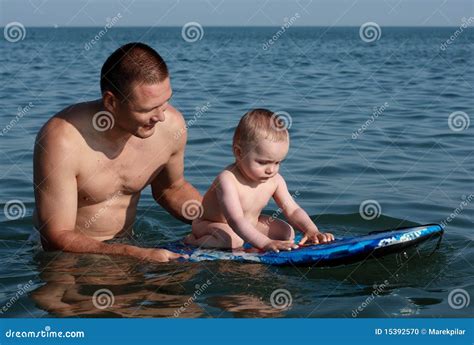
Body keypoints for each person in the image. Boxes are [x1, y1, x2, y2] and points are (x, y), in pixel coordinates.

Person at [33, 42, 201, 262]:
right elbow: (55, 236)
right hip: (68, 262)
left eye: (165, 102)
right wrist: (133, 254)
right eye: (148, 109)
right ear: (111, 102)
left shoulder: (171, 126)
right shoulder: (62, 140)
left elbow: (172, 189)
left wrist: (222, 220)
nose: (160, 116)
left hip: (131, 248)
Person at [185, 109, 334, 252]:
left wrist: (311, 230)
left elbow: (293, 209)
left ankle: (253, 240)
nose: (271, 170)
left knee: (286, 232)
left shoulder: (275, 180)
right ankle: (193, 241)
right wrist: (266, 243)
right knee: (233, 240)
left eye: (277, 163)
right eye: (263, 162)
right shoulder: (227, 180)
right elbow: (235, 220)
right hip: (212, 225)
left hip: (250, 224)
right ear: (239, 152)